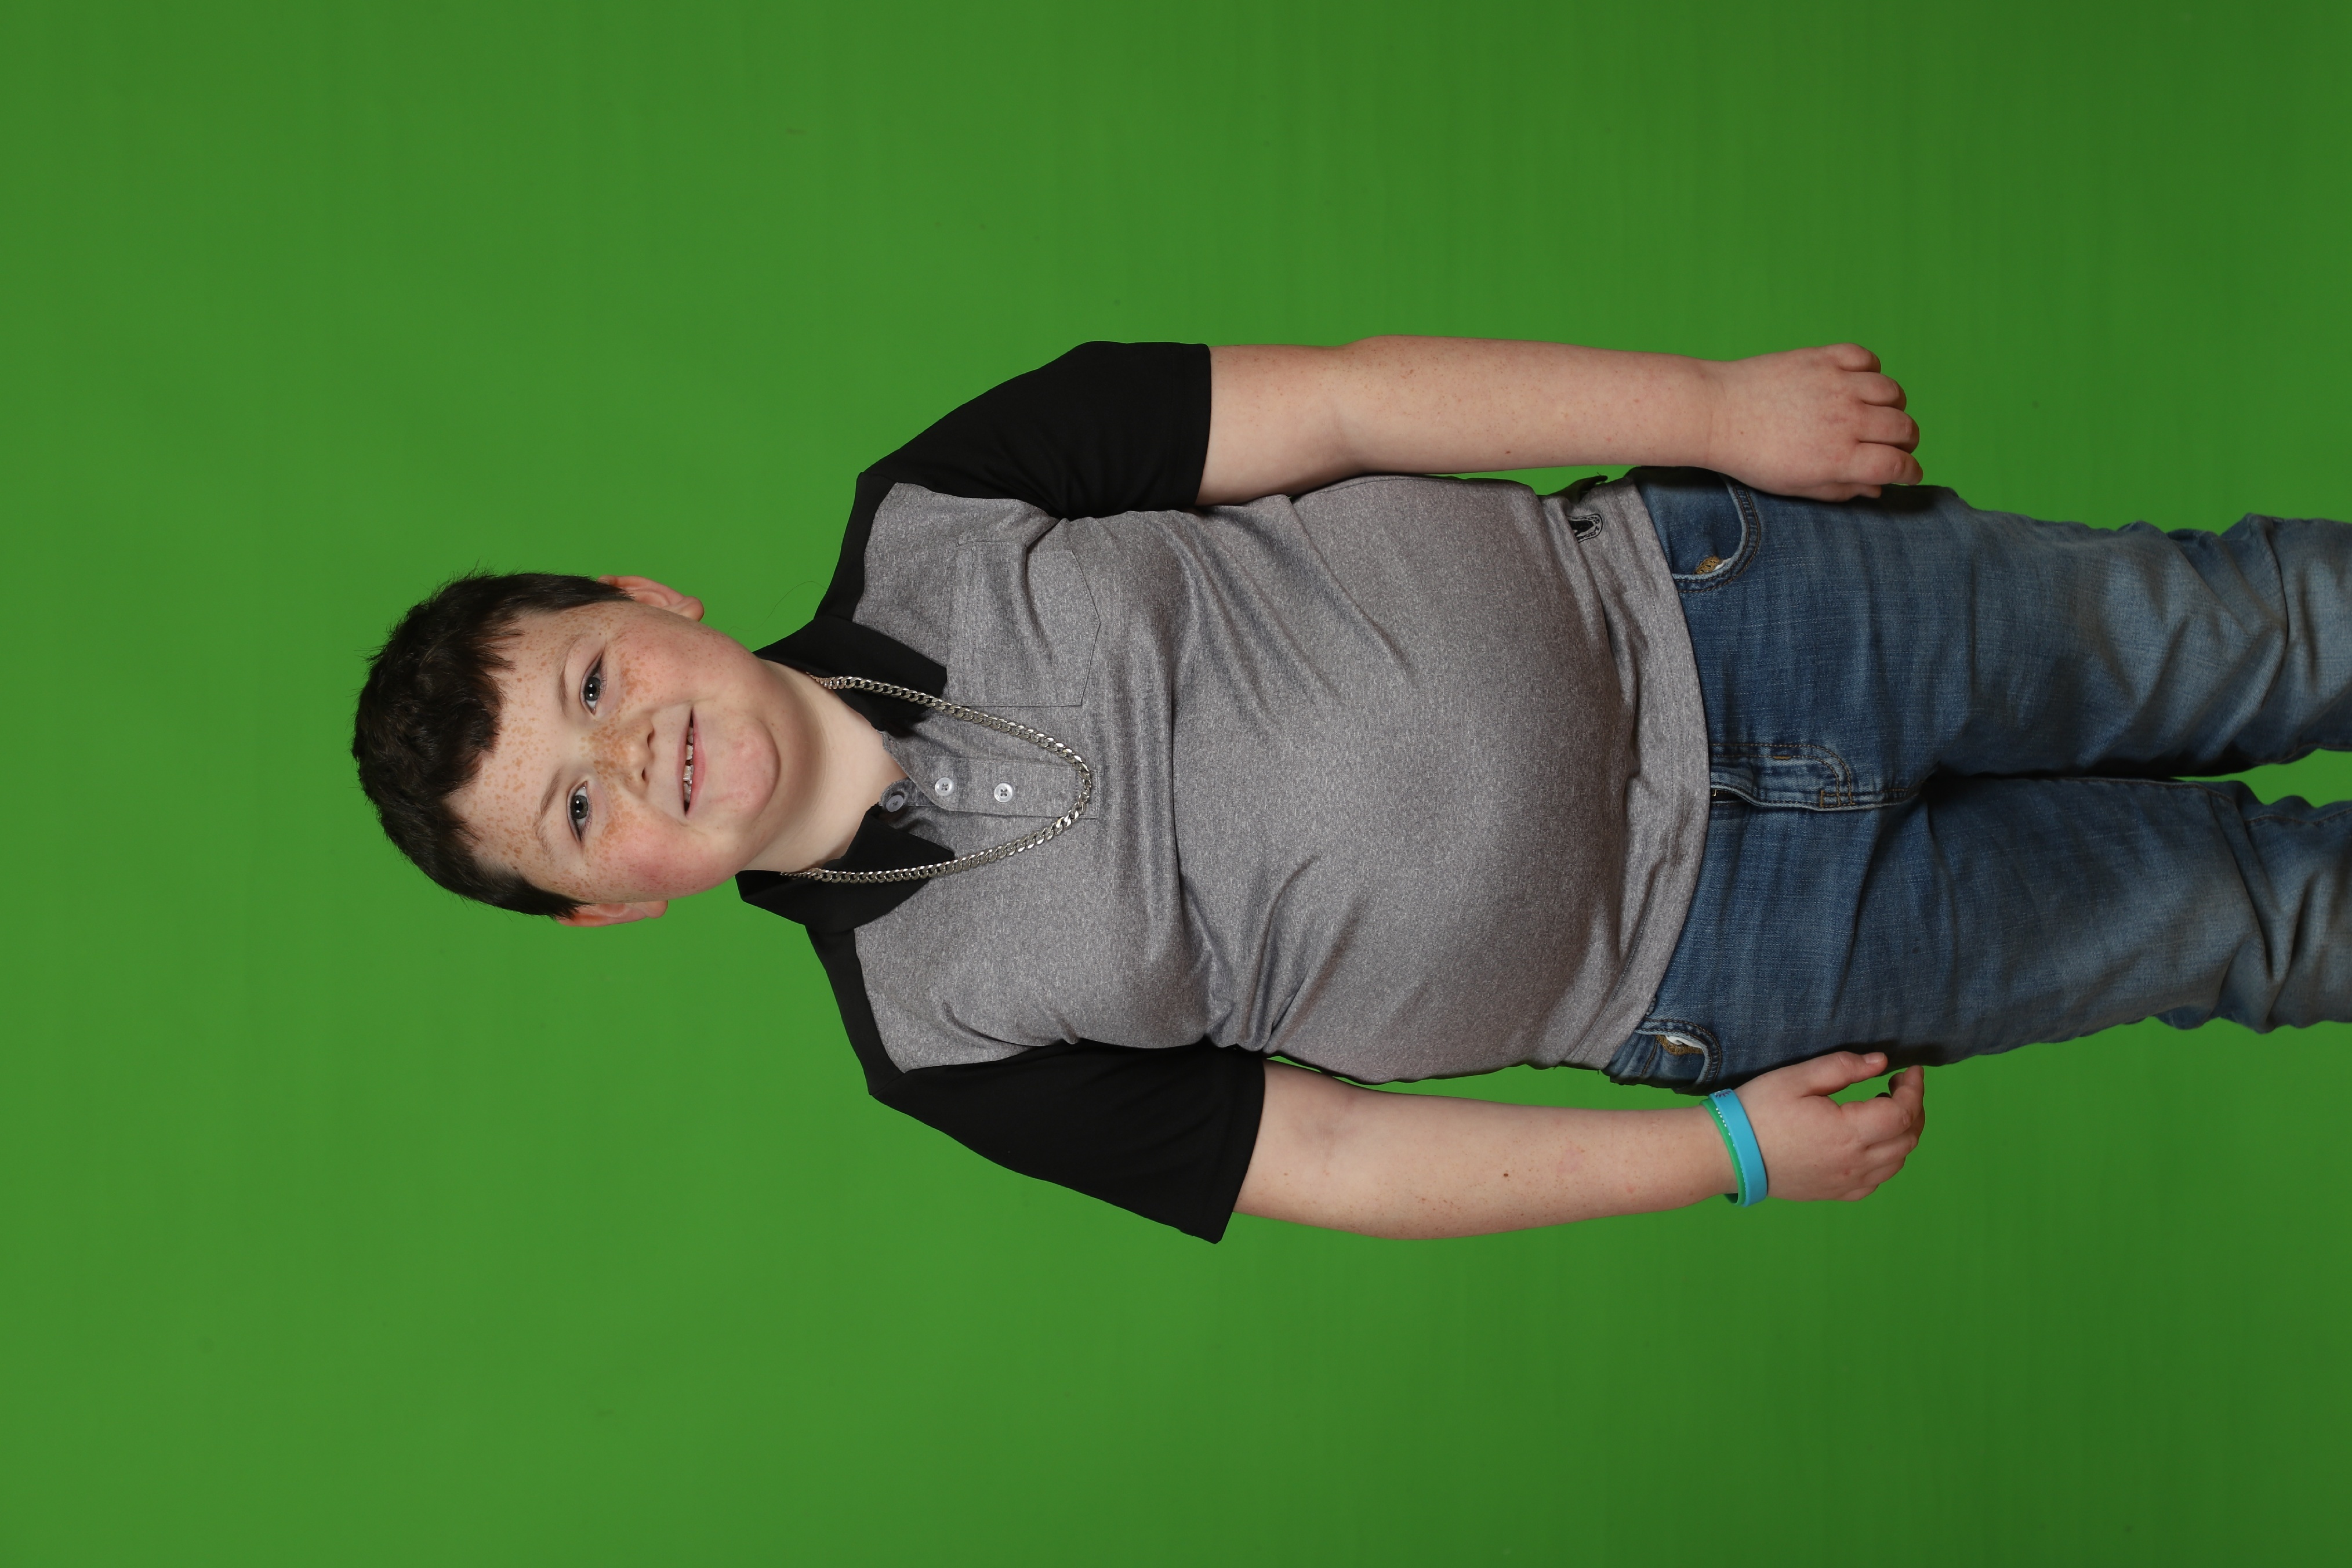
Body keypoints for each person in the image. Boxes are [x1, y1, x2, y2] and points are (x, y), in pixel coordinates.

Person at [353, 337, 2352, 1242]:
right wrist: (1721, 1160)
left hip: (1747, 607)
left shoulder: (945, 500)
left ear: (647, 601)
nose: (632, 752)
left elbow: (1344, 399)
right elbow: (1332, 1161)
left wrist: (1712, 408)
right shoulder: (938, 1043)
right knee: (2239, 923)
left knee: (2242, 628)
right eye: (580, 812)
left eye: (594, 685)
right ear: (619, 906)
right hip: (1733, 960)